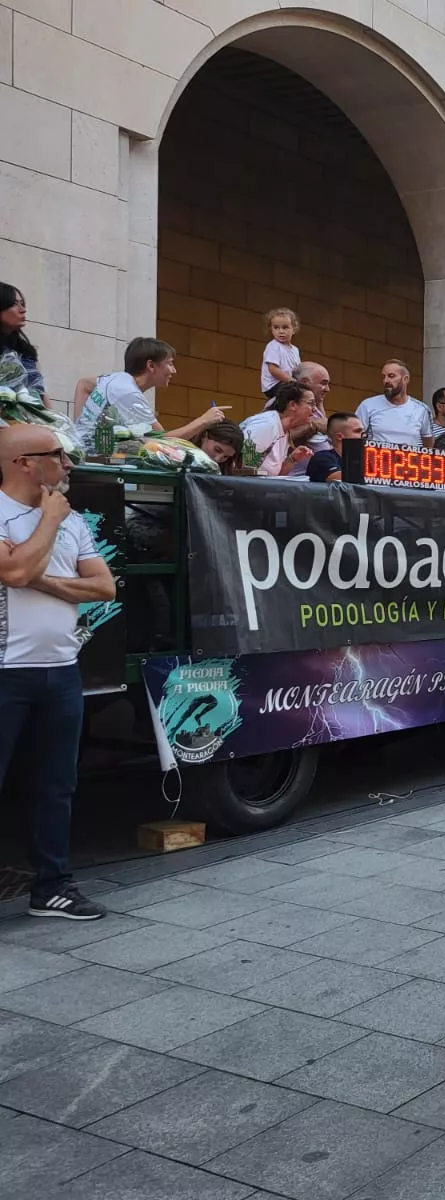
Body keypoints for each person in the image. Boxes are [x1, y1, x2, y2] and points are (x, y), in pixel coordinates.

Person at [0, 425, 117, 920]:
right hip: (6, 672)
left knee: (56, 785)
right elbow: (13, 574)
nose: (68, 465)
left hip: (61, 671)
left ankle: (52, 887)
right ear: (24, 462)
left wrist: (39, 577)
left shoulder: (72, 520)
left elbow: (104, 587)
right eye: (58, 456)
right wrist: (47, 522)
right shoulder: (43, 515)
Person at [72, 338, 226, 444]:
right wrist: (204, 420)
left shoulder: (116, 379)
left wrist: (80, 427)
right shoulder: (129, 394)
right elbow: (164, 440)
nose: (174, 371)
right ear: (151, 366)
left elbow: (83, 384)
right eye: (170, 363)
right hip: (93, 463)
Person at [239, 382, 317, 477]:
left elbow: (276, 477)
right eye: (310, 403)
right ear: (292, 405)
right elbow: (242, 469)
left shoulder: (284, 431)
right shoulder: (266, 425)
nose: (315, 409)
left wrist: (291, 460)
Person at [355, 359, 432, 448]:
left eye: (391, 376)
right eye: (384, 377)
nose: (386, 380)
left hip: (409, 460)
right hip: (375, 460)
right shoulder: (368, 405)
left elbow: (428, 444)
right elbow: (354, 435)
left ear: (405, 379)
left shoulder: (421, 409)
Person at [0, 282, 47, 398]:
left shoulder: (25, 351)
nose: (23, 310)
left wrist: (52, 415)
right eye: (15, 304)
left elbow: (40, 393)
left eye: (22, 303)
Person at [307, 412, 365, 483]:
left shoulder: (363, 460)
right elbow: (337, 478)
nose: (364, 435)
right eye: (358, 431)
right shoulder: (322, 458)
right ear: (339, 436)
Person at [260, 307, 301, 399]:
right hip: (274, 385)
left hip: (287, 383)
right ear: (271, 329)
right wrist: (291, 381)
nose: (281, 331)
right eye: (276, 328)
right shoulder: (273, 346)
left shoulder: (295, 350)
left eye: (285, 327)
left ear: (293, 329)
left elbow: (297, 370)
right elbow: (273, 369)